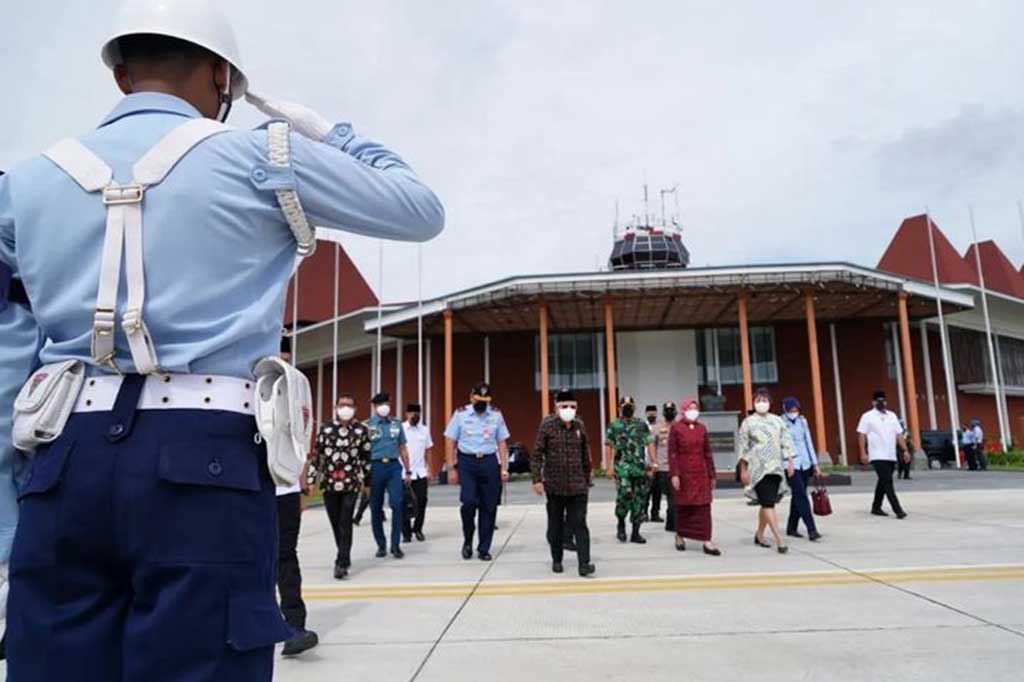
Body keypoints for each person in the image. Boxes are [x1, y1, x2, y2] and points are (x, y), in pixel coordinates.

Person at [0, 1, 443, 678]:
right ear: (222, 79)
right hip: (202, 455)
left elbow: (10, 345)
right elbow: (418, 209)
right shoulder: (264, 155)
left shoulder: (26, 183)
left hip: (64, 461)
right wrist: (330, 133)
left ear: (120, 76)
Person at [532, 389, 596, 577]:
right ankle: (557, 559)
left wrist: (587, 478)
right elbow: (537, 455)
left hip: (578, 485)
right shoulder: (547, 425)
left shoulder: (579, 425)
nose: (569, 409)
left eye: (572, 406)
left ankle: (584, 563)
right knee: (555, 525)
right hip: (555, 485)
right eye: (564, 406)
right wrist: (537, 479)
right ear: (556, 407)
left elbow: (586, 454)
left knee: (580, 524)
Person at [308, 393, 371, 579]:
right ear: (336, 407)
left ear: (355, 409)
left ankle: (341, 562)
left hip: (350, 484)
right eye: (342, 405)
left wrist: (368, 483)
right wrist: (311, 481)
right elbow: (316, 456)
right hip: (329, 484)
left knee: (345, 522)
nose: (345, 408)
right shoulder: (325, 429)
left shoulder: (361, 431)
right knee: (336, 523)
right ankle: (344, 552)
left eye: (349, 405)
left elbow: (366, 459)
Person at [445, 383, 510, 561]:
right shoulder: (460, 414)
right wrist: (451, 468)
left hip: (489, 461)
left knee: (489, 506)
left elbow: (502, 442)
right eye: (479, 400)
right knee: (469, 502)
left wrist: (504, 468)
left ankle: (484, 548)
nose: (482, 404)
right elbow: (450, 440)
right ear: (471, 397)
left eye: (485, 401)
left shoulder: (496, 414)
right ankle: (468, 540)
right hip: (467, 462)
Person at [738, 388, 795, 554]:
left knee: (766, 502)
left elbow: (786, 442)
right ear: (754, 402)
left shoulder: (778, 421)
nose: (761, 403)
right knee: (768, 503)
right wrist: (743, 469)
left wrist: (790, 461)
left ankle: (760, 534)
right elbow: (743, 447)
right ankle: (779, 539)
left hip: (775, 468)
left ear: (770, 402)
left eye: (764, 400)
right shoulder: (748, 422)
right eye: (758, 400)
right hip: (758, 468)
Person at [668, 398, 721, 555]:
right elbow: (672, 453)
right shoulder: (676, 428)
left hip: (701, 472)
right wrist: (674, 474)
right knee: (684, 506)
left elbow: (707, 452)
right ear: (683, 410)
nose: (693, 411)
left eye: (695, 408)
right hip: (683, 473)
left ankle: (707, 540)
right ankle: (679, 535)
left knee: (704, 507)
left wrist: (712, 474)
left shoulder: (702, 429)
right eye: (690, 408)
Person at [276, 477, 318, 656]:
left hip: (285, 490)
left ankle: (294, 627)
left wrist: (302, 489)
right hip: (251, 490)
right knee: (253, 559)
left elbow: (300, 454)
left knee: (285, 556)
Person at [605, 395, 655, 544]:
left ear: (634, 408)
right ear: (620, 408)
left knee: (639, 499)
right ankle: (621, 523)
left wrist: (654, 462)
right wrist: (608, 467)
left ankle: (635, 532)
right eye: (624, 406)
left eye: (630, 406)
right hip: (622, 468)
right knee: (625, 495)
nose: (627, 408)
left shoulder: (641, 425)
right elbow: (609, 446)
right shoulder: (614, 425)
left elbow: (650, 443)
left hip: (639, 468)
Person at [367, 392, 412, 558]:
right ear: (374, 407)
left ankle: (395, 544)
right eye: (380, 404)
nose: (383, 406)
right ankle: (381, 544)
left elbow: (403, 448)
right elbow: (363, 452)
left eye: (386, 403)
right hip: (375, 466)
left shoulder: (396, 424)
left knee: (397, 503)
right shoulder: (368, 426)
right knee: (376, 508)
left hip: (393, 467)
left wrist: (408, 470)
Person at [857, 390, 909, 519]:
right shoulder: (867, 416)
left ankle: (876, 507)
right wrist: (863, 452)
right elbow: (862, 435)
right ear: (873, 402)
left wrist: (905, 450)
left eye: (883, 400)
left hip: (890, 454)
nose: (881, 403)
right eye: (878, 401)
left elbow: (899, 434)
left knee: (883, 481)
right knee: (888, 481)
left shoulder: (892, 415)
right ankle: (898, 510)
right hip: (877, 454)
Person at [780, 397, 822, 542]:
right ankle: (812, 529)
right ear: (785, 409)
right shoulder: (780, 423)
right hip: (790, 464)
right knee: (801, 496)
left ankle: (791, 527)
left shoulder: (802, 422)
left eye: (796, 410)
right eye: (791, 410)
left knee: (799, 495)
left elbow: (808, 442)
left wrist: (815, 464)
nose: (794, 413)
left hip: (805, 462)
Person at [402, 403, 433, 542]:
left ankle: (418, 528)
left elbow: (428, 450)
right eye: (412, 413)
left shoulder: (424, 430)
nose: (415, 415)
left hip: (421, 472)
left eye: (417, 413)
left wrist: (430, 469)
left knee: (422, 500)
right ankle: (406, 532)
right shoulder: (400, 429)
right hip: (404, 472)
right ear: (406, 414)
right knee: (404, 502)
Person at [650, 401, 677, 530]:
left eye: (672, 410)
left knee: (674, 496)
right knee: (669, 495)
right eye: (667, 410)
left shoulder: (679, 427)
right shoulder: (657, 428)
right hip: (662, 468)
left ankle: (671, 523)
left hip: (676, 467)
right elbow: (652, 446)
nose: (669, 412)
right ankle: (671, 522)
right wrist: (654, 462)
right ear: (663, 412)